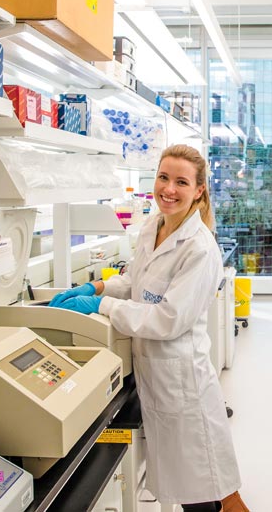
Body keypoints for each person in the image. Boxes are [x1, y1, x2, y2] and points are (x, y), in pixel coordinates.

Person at [49, 144, 248, 512]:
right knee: (194, 489)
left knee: (206, 497)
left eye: (181, 182)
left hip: (182, 383)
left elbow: (167, 318)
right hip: (156, 376)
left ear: (199, 190)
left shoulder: (200, 249)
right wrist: (98, 287)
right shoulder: (152, 226)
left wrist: (101, 305)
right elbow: (139, 281)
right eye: (163, 177)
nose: (169, 189)